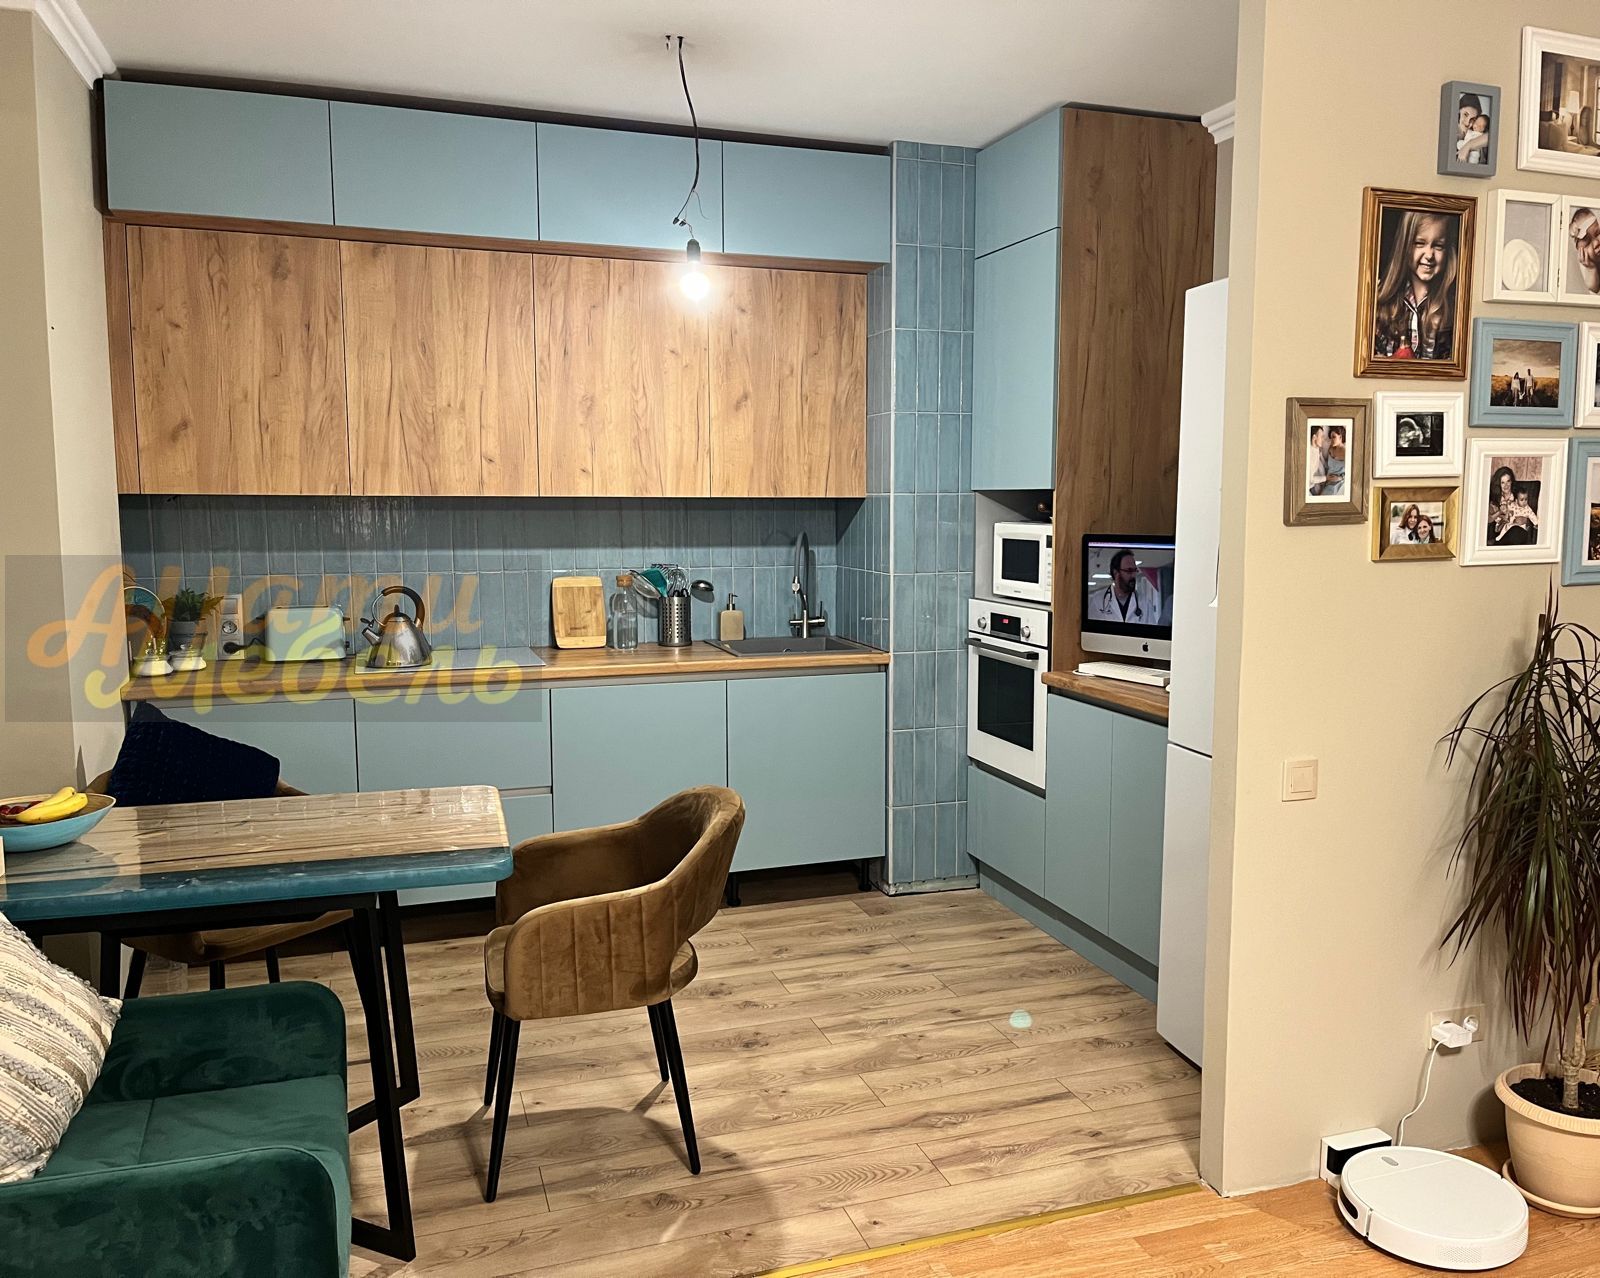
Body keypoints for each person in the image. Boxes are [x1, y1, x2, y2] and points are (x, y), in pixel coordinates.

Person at [1372, 209, 1458, 361]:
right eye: (1419, 243)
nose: (1429, 255)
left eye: (1438, 246)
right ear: (1404, 246)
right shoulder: (1381, 301)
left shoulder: (1454, 306)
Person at [1087, 548, 1162, 624]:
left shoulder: (1144, 603)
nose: (1133, 575)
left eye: (1135, 570)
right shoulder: (1098, 601)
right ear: (1116, 573)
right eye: (1129, 571)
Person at [1571, 206, 1600, 296]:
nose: (1596, 243)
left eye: (1598, 233)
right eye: (1588, 243)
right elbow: (1594, 292)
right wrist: (1591, 269)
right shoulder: (1588, 268)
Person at [1322, 423, 1347, 496]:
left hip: (1338, 483)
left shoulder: (1345, 452)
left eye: (1334, 437)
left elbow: (1353, 472)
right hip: (1327, 481)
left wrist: (1340, 478)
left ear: (1340, 437)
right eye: (1331, 437)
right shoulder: (1331, 448)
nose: (1332, 440)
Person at [1307, 423, 1330, 495]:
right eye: (1321, 437)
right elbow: (1310, 479)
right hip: (1308, 486)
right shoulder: (1309, 455)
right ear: (1314, 437)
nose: (1323, 440)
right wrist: (1326, 478)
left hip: (1313, 485)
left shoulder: (1316, 448)